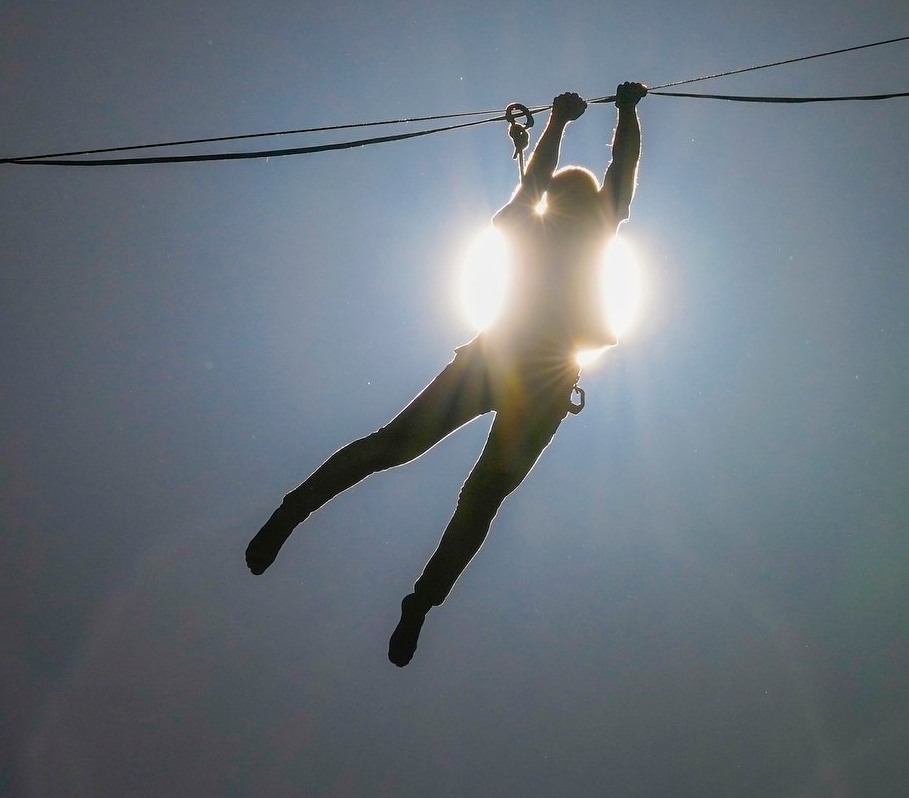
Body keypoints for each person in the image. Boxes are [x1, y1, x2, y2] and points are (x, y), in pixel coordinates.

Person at [246, 81, 647, 667]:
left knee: (435, 468)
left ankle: (402, 589)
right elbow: (606, 175)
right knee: (446, 474)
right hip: (526, 367)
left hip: (521, 367)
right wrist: (593, 118)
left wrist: (580, 120)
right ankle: (316, 527)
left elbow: (607, 176)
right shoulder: (550, 222)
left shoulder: (560, 223)